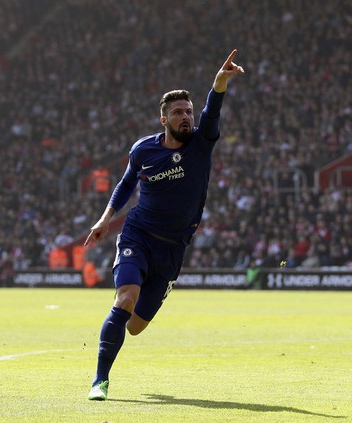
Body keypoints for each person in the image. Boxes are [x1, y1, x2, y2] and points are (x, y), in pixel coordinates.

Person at [83, 50, 244, 401]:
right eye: (178, 113)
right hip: (137, 235)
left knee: (136, 326)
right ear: (163, 120)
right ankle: (99, 380)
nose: (186, 117)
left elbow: (212, 111)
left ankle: (115, 329)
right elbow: (126, 183)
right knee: (125, 298)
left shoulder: (201, 144)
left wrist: (219, 83)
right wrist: (105, 218)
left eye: (188, 111)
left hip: (173, 248)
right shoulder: (143, 150)